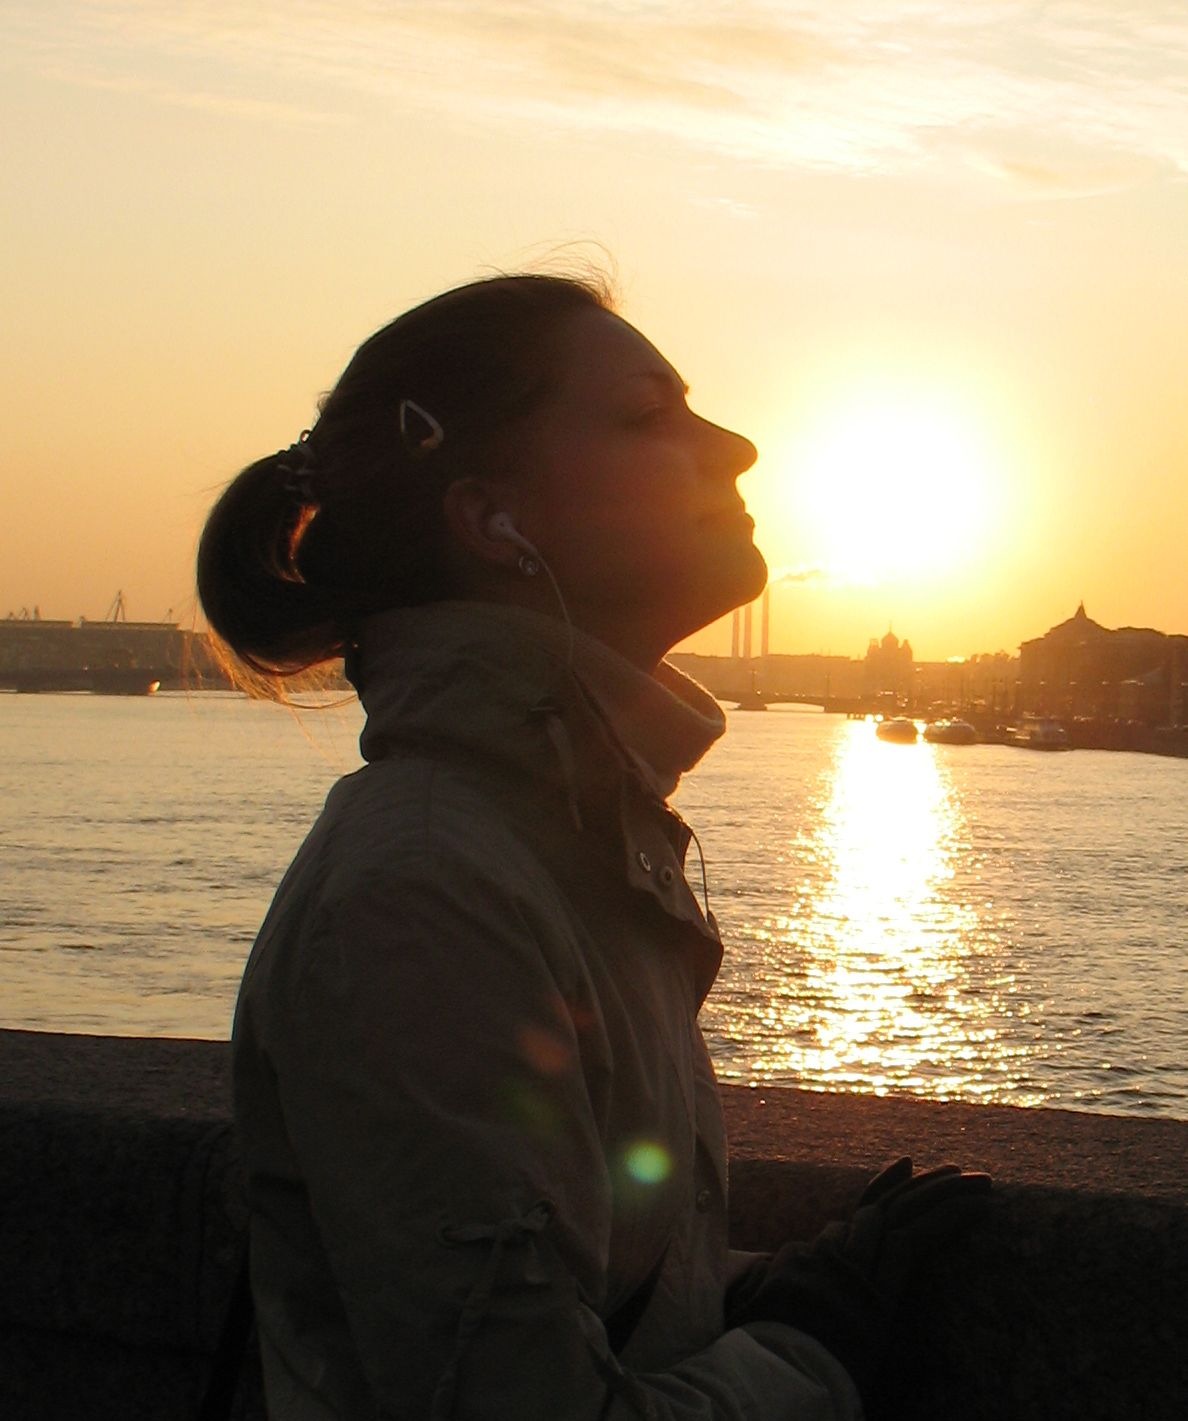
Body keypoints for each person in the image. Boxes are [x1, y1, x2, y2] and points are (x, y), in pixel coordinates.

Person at [198, 272, 989, 1420]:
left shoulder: (544, 834)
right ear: (493, 519)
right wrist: (812, 1345)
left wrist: (751, 1288)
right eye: (648, 414)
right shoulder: (425, 895)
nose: (736, 447)